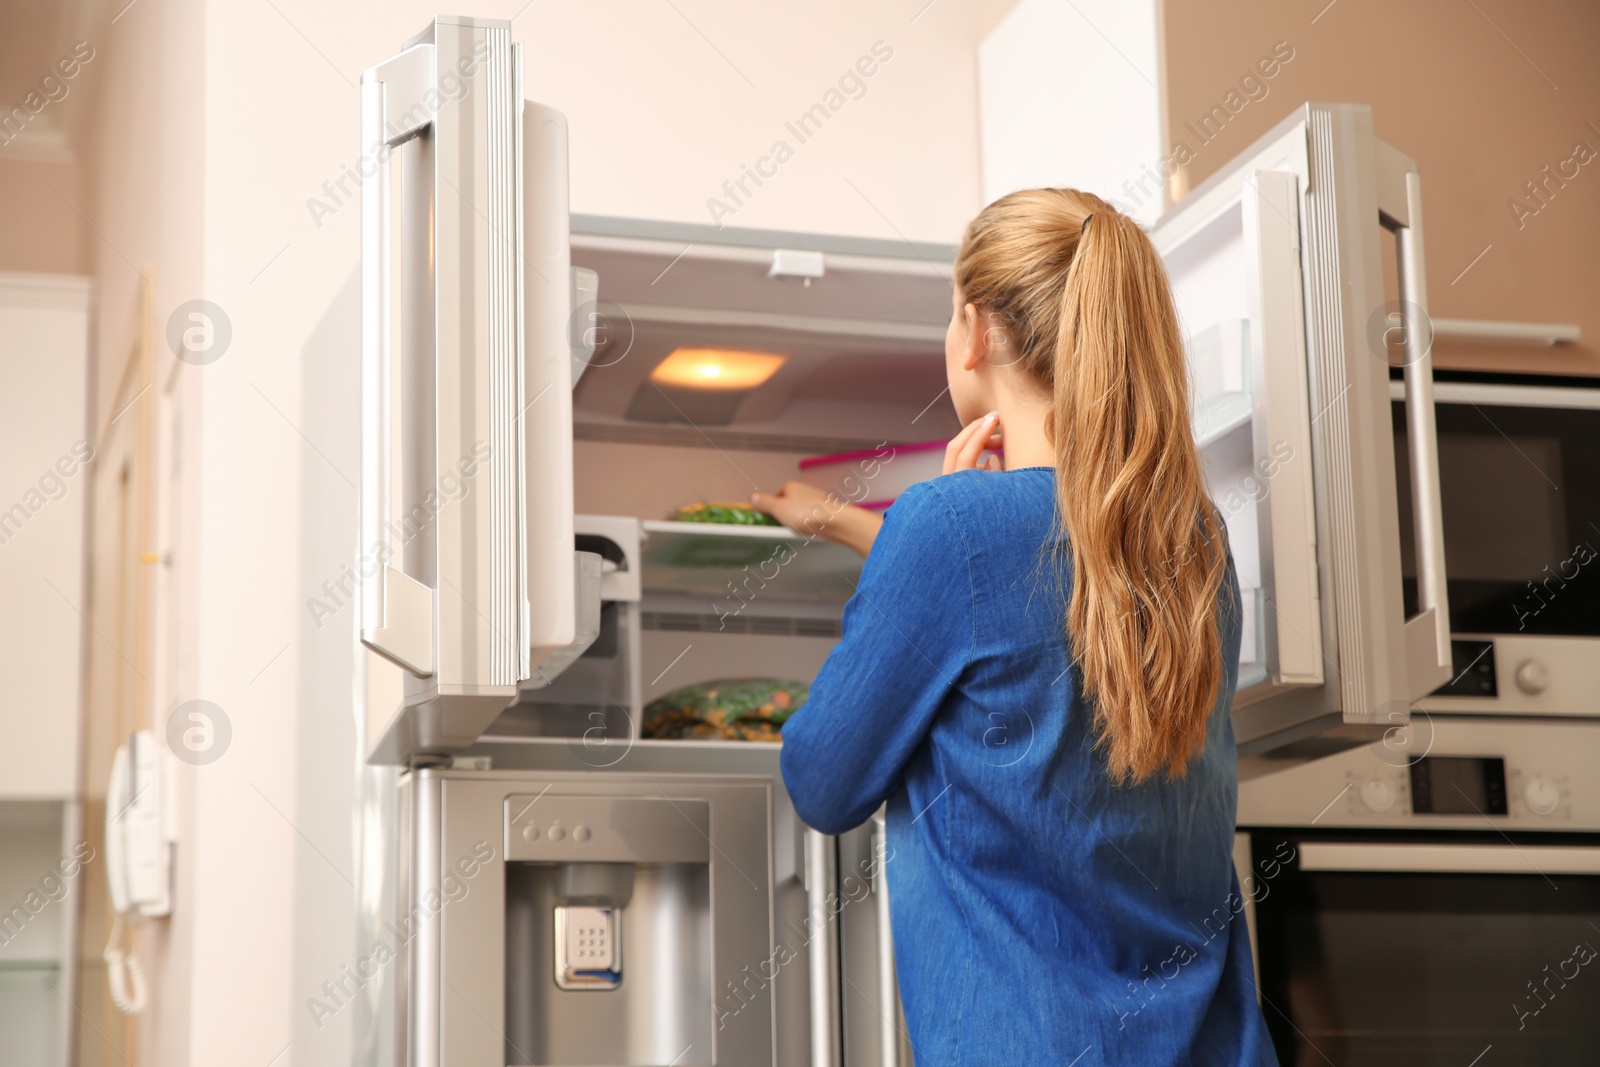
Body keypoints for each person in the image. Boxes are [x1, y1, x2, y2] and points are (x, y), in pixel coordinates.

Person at [753, 189, 1278, 1065]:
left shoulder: (949, 530)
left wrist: (933, 522)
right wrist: (907, 531)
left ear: (977, 328)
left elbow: (823, 781)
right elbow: (1046, 612)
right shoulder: (1196, 538)